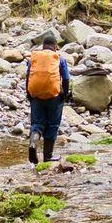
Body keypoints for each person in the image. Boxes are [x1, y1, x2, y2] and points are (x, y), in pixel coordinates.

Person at [23, 32, 72, 164]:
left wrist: (29, 94)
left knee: (37, 124)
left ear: (43, 46)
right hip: (54, 97)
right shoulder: (59, 58)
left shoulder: (34, 58)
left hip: (36, 95)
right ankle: (47, 156)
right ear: (55, 46)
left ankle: (33, 144)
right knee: (52, 125)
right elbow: (66, 78)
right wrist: (65, 95)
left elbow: (28, 76)